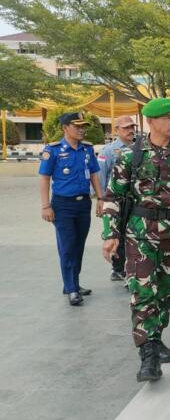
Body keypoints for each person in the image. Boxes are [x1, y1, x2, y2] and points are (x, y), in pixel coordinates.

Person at [101, 97, 170, 382]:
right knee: (143, 292)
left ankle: (156, 337)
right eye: (168, 118)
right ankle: (147, 354)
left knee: (166, 291)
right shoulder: (130, 156)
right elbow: (113, 196)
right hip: (140, 234)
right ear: (151, 121)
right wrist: (110, 234)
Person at [39, 112, 103, 306]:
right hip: (63, 205)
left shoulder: (87, 149)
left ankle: (72, 283)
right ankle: (72, 288)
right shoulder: (53, 150)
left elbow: (94, 174)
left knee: (78, 246)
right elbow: (44, 178)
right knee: (67, 246)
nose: (82, 129)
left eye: (83, 126)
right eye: (77, 126)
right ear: (65, 128)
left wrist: (101, 198)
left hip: (83, 204)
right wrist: (45, 206)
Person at [98, 115, 136, 284]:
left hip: (134, 201)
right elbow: (101, 176)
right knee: (116, 233)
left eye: (132, 127)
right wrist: (101, 199)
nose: (130, 130)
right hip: (116, 200)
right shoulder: (108, 151)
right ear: (116, 130)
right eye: (126, 128)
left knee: (133, 235)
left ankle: (131, 269)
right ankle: (118, 269)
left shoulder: (139, 149)